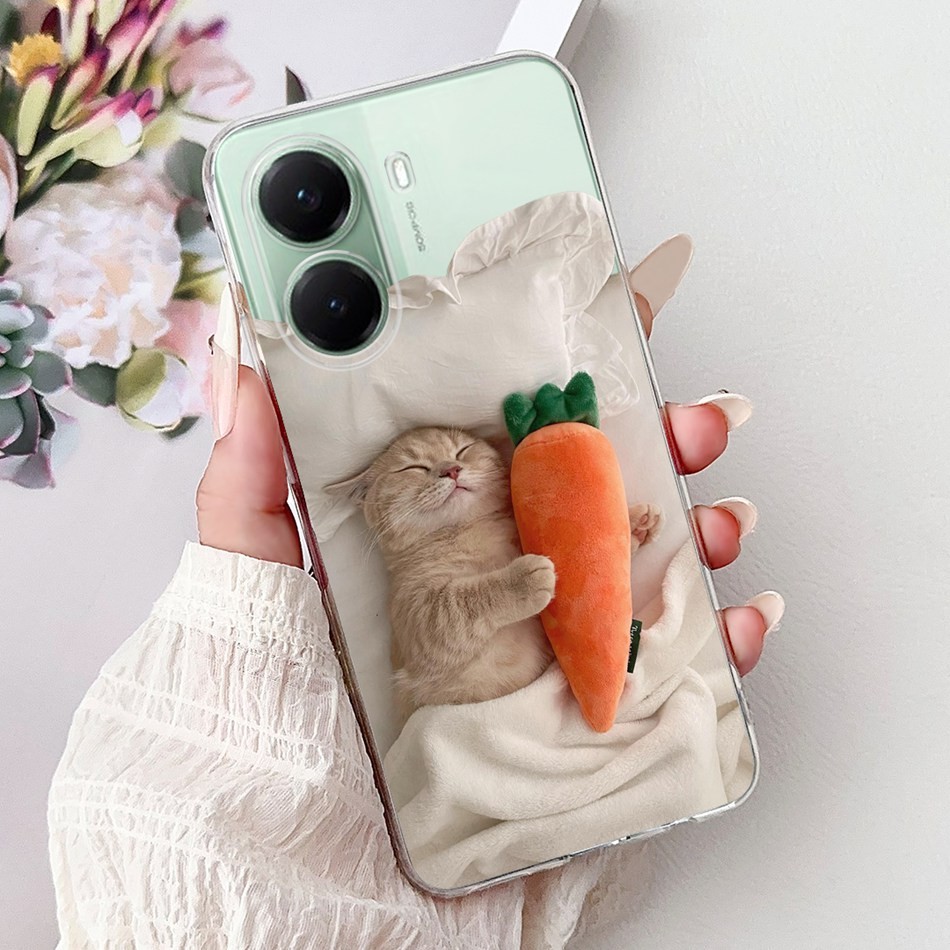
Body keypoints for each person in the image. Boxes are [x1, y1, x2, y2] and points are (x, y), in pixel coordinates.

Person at [48, 240, 784, 948]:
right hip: (465, 732)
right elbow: (434, 638)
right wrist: (504, 592)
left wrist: (613, 534)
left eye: (463, 454)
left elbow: (575, 579)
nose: (449, 472)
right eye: (414, 472)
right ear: (376, 512)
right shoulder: (417, 577)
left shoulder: (514, 524)